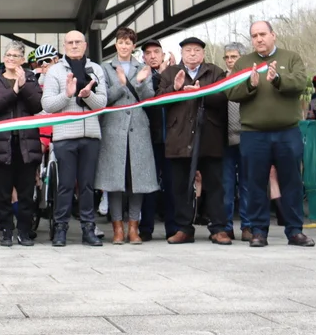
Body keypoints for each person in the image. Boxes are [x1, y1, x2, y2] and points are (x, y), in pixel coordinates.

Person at [226, 21, 314, 248]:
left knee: (292, 182)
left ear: (273, 35)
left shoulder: (291, 58)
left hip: (287, 132)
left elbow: (300, 83)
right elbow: (231, 92)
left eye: (263, 34)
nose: (259, 39)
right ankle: (258, 232)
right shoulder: (243, 63)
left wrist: (278, 79)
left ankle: (295, 231)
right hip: (253, 134)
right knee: (255, 184)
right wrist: (250, 85)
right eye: (254, 35)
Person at [158, 37, 230, 245]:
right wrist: (175, 89)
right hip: (179, 137)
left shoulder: (215, 72)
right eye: (188, 50)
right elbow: (159, 100)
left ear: (203, 54)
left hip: (209, 136)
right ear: (182, 53)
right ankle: (184, 229)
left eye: (197, 50)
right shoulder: (170, 73)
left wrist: (202, 93)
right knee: (180, 186)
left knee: (215, 185)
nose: (192, 54)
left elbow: (224, 96)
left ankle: (218, 228)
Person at [41, 30, 108, 247]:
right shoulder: (55, 71)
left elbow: (102, 104)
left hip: (91, 136)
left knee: (87, 186)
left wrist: (88, 96)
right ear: (64, 46)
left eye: (78, 42)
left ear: (85, 45)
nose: (74, 45)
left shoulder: (96, 69)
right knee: (65, 185)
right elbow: (47, 105)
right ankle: (60, 228)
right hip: (65, 136)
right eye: (70, 42)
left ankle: (88, 229)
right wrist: (67, 95)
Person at [96, 27, 158, 245]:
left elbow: (149, 97)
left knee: (137, 179)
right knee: (115, 180)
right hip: (113, 129)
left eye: (128, 43)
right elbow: (104, 99)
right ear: (116, 44)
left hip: (138, 129)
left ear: (134, 46)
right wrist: (122, 84)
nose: (124, 46)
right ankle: (117, 229)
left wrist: (139, 82)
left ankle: (133, 227)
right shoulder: (105, 68)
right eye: (121, 42)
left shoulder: (143, 67)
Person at [0, 41, 43, 247]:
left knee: (26, 192)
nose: (11, 58)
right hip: (0, 145)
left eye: (15, 55)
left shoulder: (31, 79)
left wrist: (24, 86)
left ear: (23, 60)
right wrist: (14, 90)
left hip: (26, 145)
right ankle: (6, 230)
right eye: (8, 55)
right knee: (2, 192)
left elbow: (37, 105)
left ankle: (24, 231)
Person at [137, 39, 177, 241]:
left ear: (163, 54)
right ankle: (146, 228)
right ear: (143, 57)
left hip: (172, 139)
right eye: (148, 53)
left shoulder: (175, 74)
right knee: (149, 186)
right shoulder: (142, 76)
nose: (152, 56)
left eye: (156, 52)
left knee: (172, 185)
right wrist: (159, 76)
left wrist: (166, 74)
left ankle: (173, 228)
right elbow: (148, 99)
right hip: (149, 138)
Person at [222, 42, 250, 241]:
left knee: (247, 185)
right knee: (226, 186)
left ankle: (248, 226)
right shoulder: (220, 80)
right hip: (224, 140)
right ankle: (226, 226)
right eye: (227, 57)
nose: (230, 60)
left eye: (234, 56)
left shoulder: (250, 78)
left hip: (247, 137)